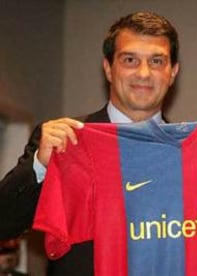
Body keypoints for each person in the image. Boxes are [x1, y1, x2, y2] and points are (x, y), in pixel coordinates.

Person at [0, 11, 179, 275]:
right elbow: (4, 223)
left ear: (172, 72)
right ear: (108, 68)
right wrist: (40, 165)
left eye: (156, 61)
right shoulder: (65, 140)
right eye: (130, 60)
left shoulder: (187, 151)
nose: (143, 73)